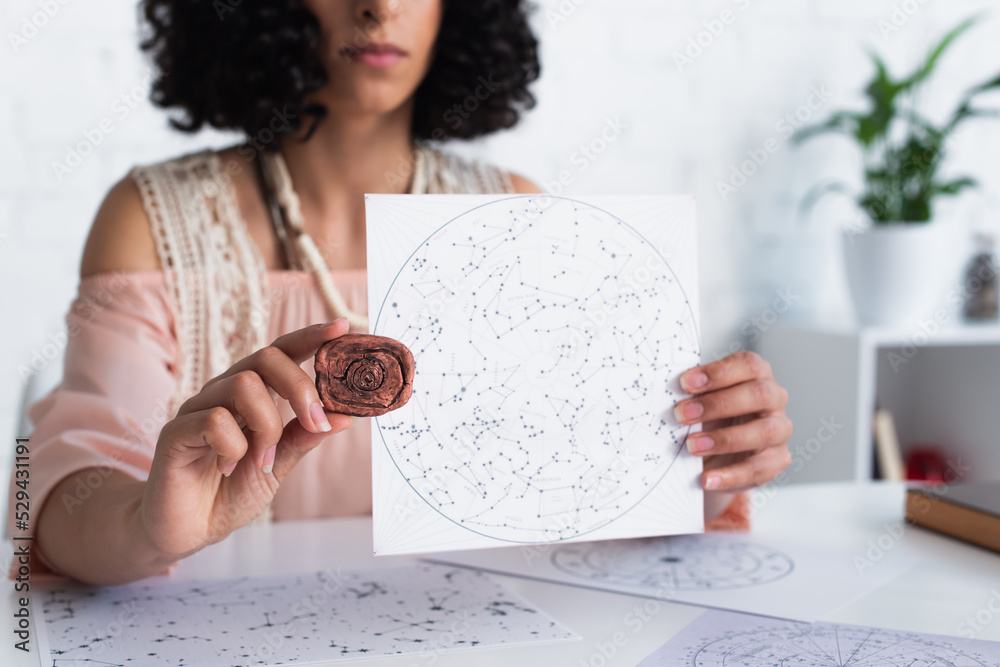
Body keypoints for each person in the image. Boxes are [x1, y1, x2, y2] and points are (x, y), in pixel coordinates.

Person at [7, 0, 792, 585]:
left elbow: (578, 491)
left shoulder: (515, 214)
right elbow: (68, 486)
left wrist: (699, 455)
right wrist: (147, 528)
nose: (379, 7)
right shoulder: (150, 221)